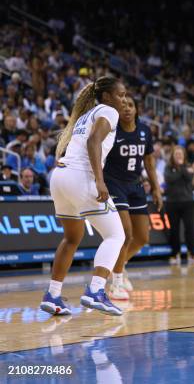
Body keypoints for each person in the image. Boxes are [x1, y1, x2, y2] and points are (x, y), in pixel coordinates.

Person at [40, 76, 127, 316]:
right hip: (81, 176)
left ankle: (53, 295)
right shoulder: (108, 111)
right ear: (108, 97)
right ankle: (96, 290)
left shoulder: (85, 115)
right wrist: (100, 180)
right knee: (116, 235)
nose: (124, 100)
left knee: (71, 238)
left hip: (60, 177)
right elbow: (93, 141)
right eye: (120, 95)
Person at [103, 96, 163, 300]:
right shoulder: (111, 130)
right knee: (125, 234)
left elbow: (149, 162)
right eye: (123, 106)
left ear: (137, 109)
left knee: (142, 238)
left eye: (130, 105)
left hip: (135, 185)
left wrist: (156, 188)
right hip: (114, 184)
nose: (127, 109)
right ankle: (115, 283)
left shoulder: (145, 130)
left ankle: (120, 266)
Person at [164, 145, 194, 265]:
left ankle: (192, 253)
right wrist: (183, 170)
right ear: (173, 156)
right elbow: (170, 179)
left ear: (184, 156)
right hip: (172, 202)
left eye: (180, 154)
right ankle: (175, 254)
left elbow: (189, 178)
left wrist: (182, 168)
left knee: (190, 229)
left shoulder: (187, 167)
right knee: (174, 230)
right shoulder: (168, 168)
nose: (179, 156)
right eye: (176, 154)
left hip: (188, 202)